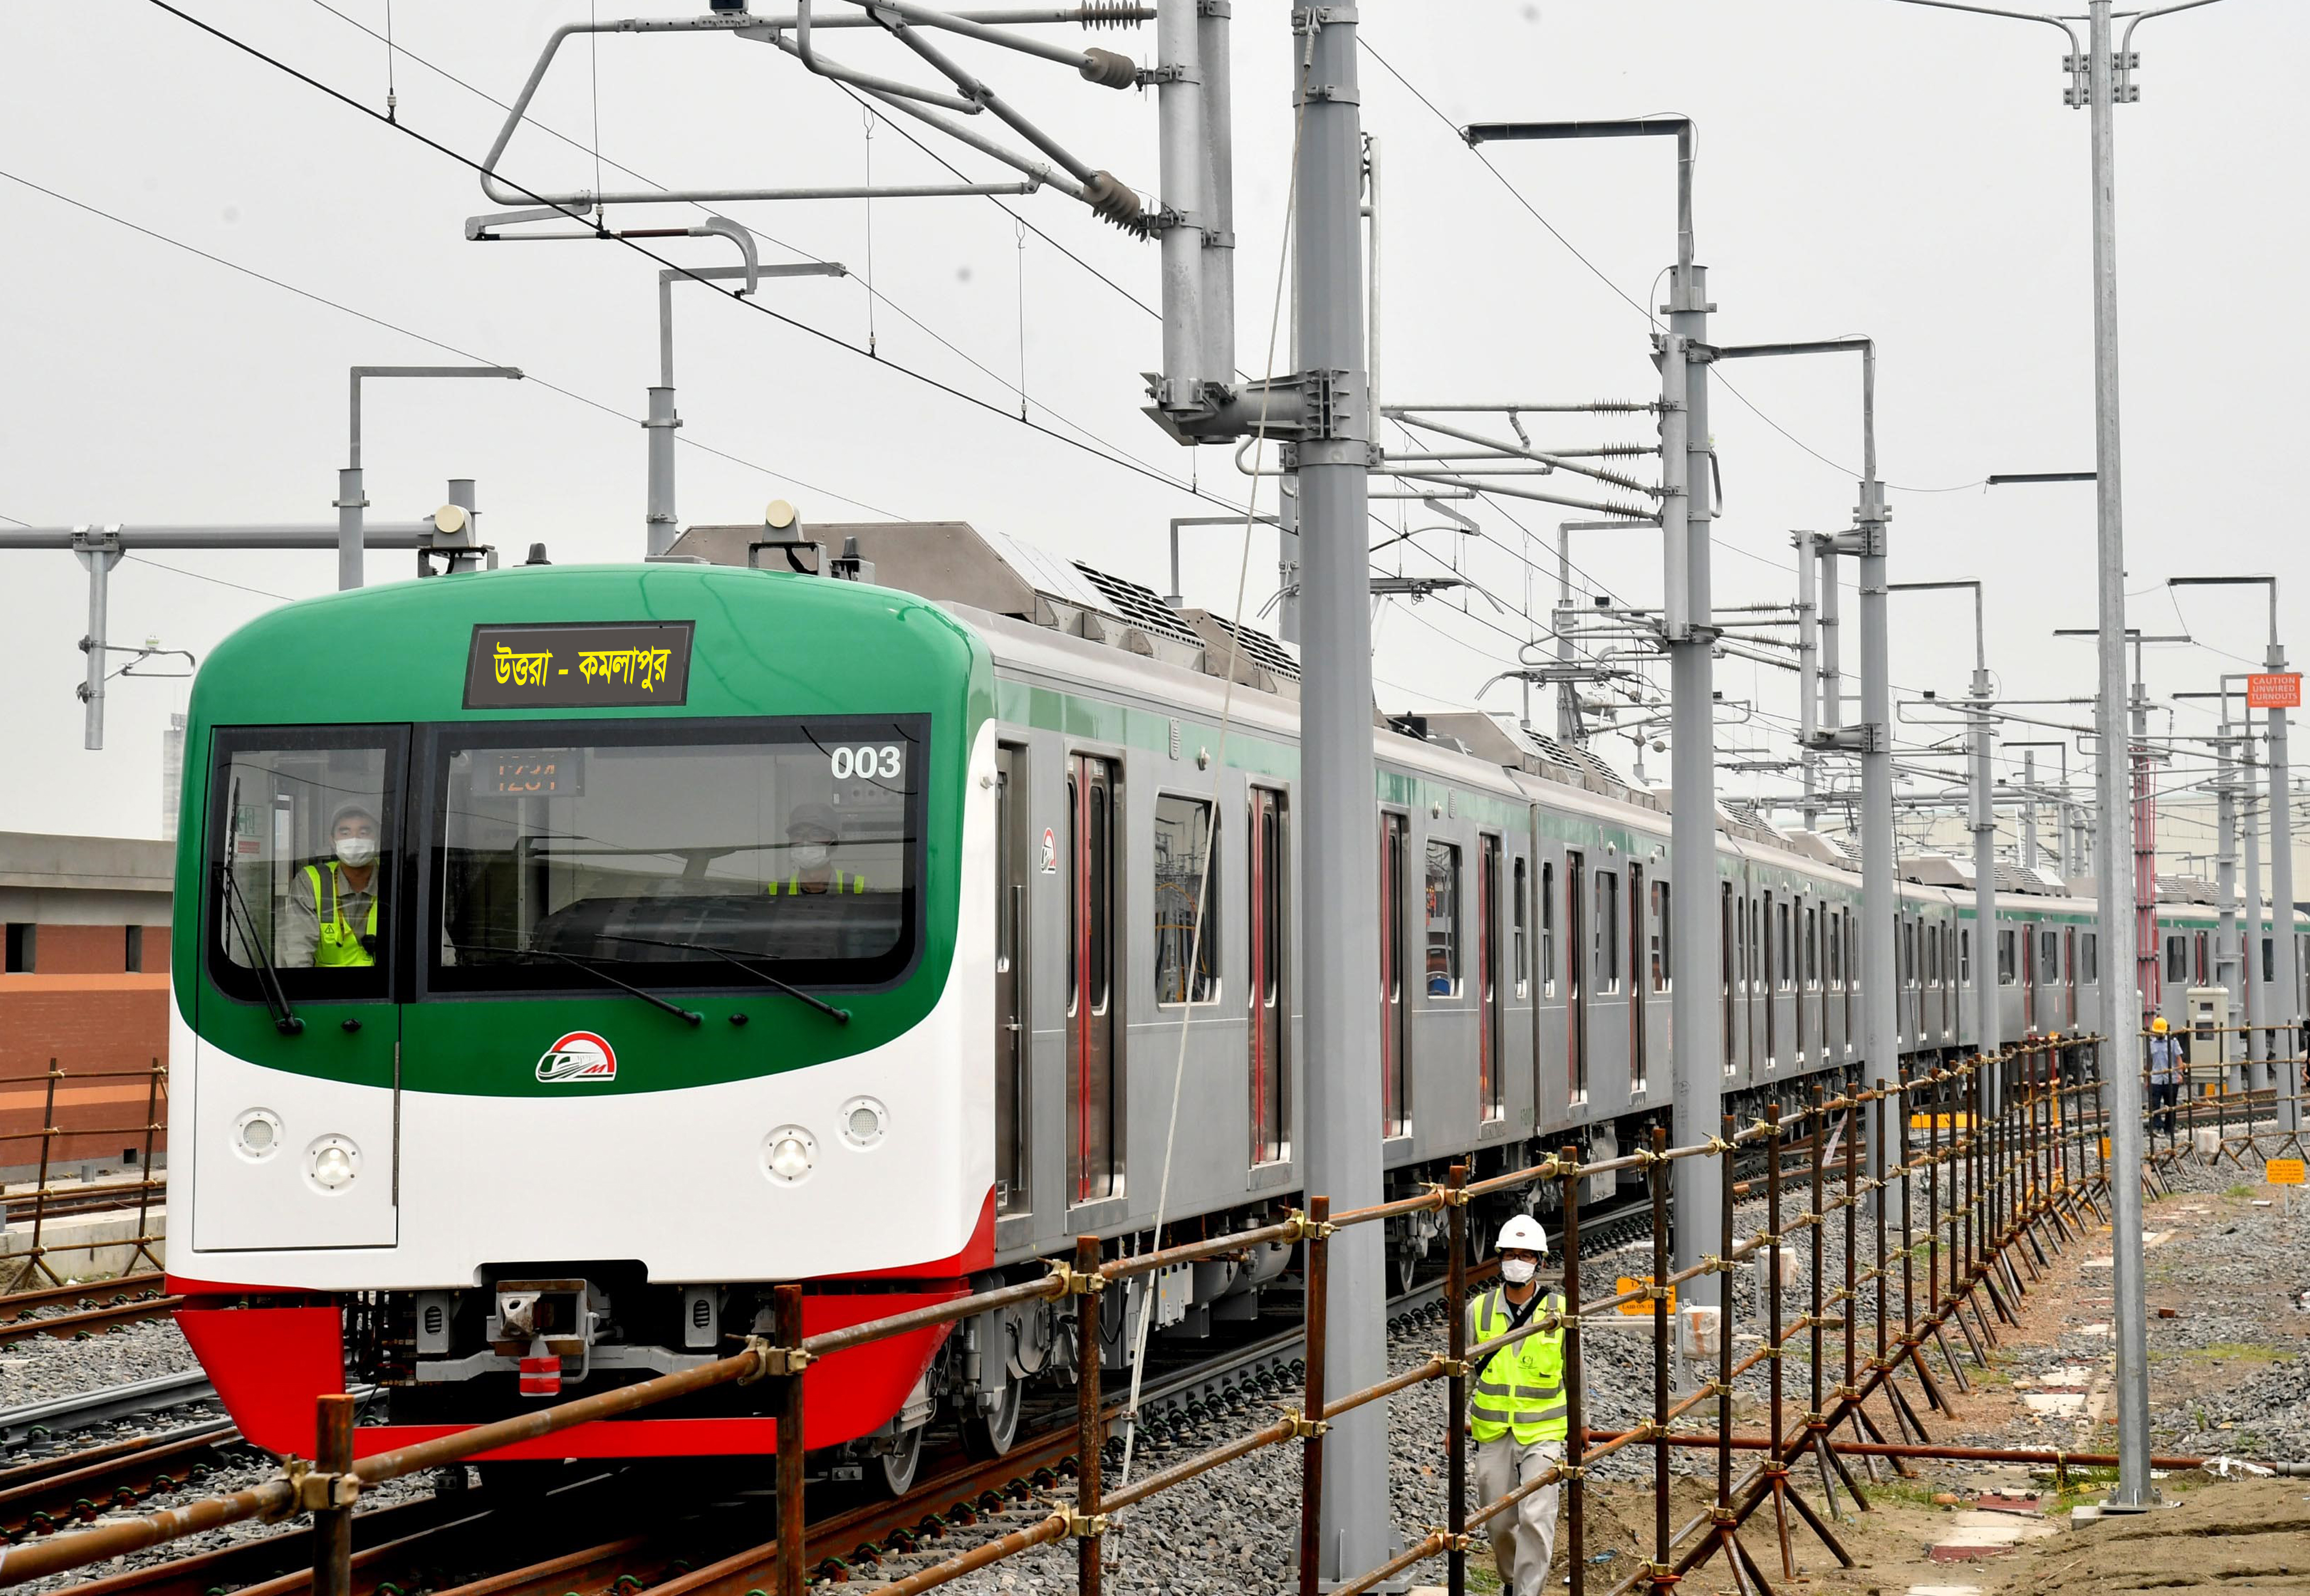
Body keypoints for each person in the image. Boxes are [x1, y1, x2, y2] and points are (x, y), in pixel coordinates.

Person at [1467, 1214, 1568, 1596]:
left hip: (1544, 1432)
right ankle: (1511, 1580)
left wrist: (1583, 1424)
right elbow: (1461, 1372)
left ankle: (1528, 1593)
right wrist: (1450, 1425)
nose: (1518, 1261)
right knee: (1498, 1520)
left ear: (1539, 1262)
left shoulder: (1559, 1311)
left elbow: (1576, 1372)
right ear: (1499, 1259)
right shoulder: (1479, 1310)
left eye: (1526, 1255)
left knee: (1537, 1517)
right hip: (1493, 1433)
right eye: (1511, 1254)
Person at [280, 802, 383, 967]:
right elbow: (296, 952)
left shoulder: (398, 877)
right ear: (333, 840)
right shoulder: (312, 881)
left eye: (364, 832)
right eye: (345, 832)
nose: (354, 840)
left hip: (387, 991)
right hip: (327, 991)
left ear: (378, 837)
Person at [768, 803, 873, 895]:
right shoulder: (775, 891)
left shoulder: (858, 888)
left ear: (834, 841)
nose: (806, 842)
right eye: (798, 834)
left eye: (816, 834)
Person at [2147, 1015, 2182, 1136]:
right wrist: (2148, 1078)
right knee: (2155, 1104)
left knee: (2171, 1105)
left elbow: (2178, 1058)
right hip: (2156, 1079)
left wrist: (2180, 1074)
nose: (2158, 1035)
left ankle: (2169, 1129)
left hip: (2171, 1078)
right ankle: (2156, 1127)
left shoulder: (2173, 1042)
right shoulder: (2151, 1043)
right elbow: (2150, 1061)